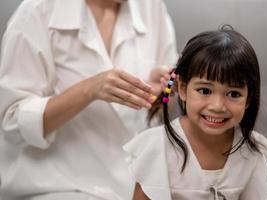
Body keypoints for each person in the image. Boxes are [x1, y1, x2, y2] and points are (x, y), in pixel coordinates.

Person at [0, 0, 177, 199]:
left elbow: (165, 103)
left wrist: (158, 94)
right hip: (57, 188)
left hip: (134, 187)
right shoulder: (37, 11)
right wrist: (89, 89)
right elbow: (12, 122)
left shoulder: (152, 7)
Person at [124, 26, 267, 200]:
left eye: (233, 94)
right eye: (205, 91)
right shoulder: (156, 147)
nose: (218, 106)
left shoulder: (250, 149)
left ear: (248, 99)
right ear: (182, 88)